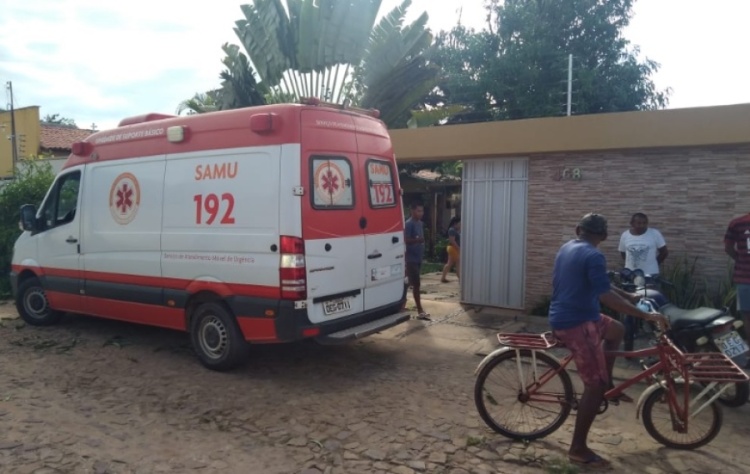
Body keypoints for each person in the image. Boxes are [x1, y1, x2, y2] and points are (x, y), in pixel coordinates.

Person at [549, 213, 667, 468]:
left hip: (576, 314)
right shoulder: (593, 255)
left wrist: (629, 296)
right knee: (594, 385)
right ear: (603, 236)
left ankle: (609, 384)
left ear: (578, 229)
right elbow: (605, 296)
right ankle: (578, 449)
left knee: (616, 330)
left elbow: (600, 285)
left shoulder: (568, 246)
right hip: (576, 322)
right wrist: (645, 315)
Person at [724, 212, 750, 344]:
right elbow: (728, 247)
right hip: (745, 279)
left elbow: (728, 248)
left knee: (747, 316)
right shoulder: (737, 223)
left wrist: (740, 260)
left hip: (744, 277)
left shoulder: (737, 223)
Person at [404, 202, 430, 320]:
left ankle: (402, 305)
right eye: (418, 211)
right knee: (416, 284)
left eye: (422, 211)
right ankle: (419, 309)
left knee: (409, 283)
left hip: (418, 257)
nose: (421, 213)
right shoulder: (409, 224)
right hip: (411, 259)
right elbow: (406, 239)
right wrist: (418, 240)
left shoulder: (420, 224)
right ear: (412, 211)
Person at [441, 216, 461, 283]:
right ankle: (460, 278)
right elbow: (452, 241)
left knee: (449, 263)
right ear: (455, 223)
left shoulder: (455, 230)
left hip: (453, 248)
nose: (460, 225)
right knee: (458, 263)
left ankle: (443, 277)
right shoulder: (452, 230)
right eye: (459, 223)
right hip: (453, 248)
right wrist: (458, 248)